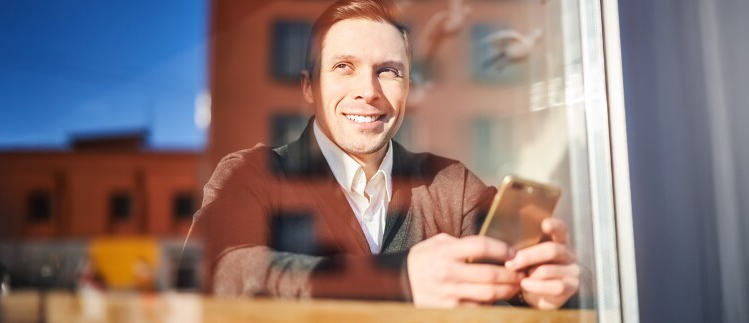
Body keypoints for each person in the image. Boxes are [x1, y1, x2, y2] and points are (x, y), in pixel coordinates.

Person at [189, 0, 579, 309]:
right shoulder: (252, 173)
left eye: (389, 72)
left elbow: (573, 283)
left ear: (408, 88)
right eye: (344, 66)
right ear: (309, 87)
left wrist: (544, 287)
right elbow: (223, 272)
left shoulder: (451, 184)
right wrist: (398, 279)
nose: (369, 91)